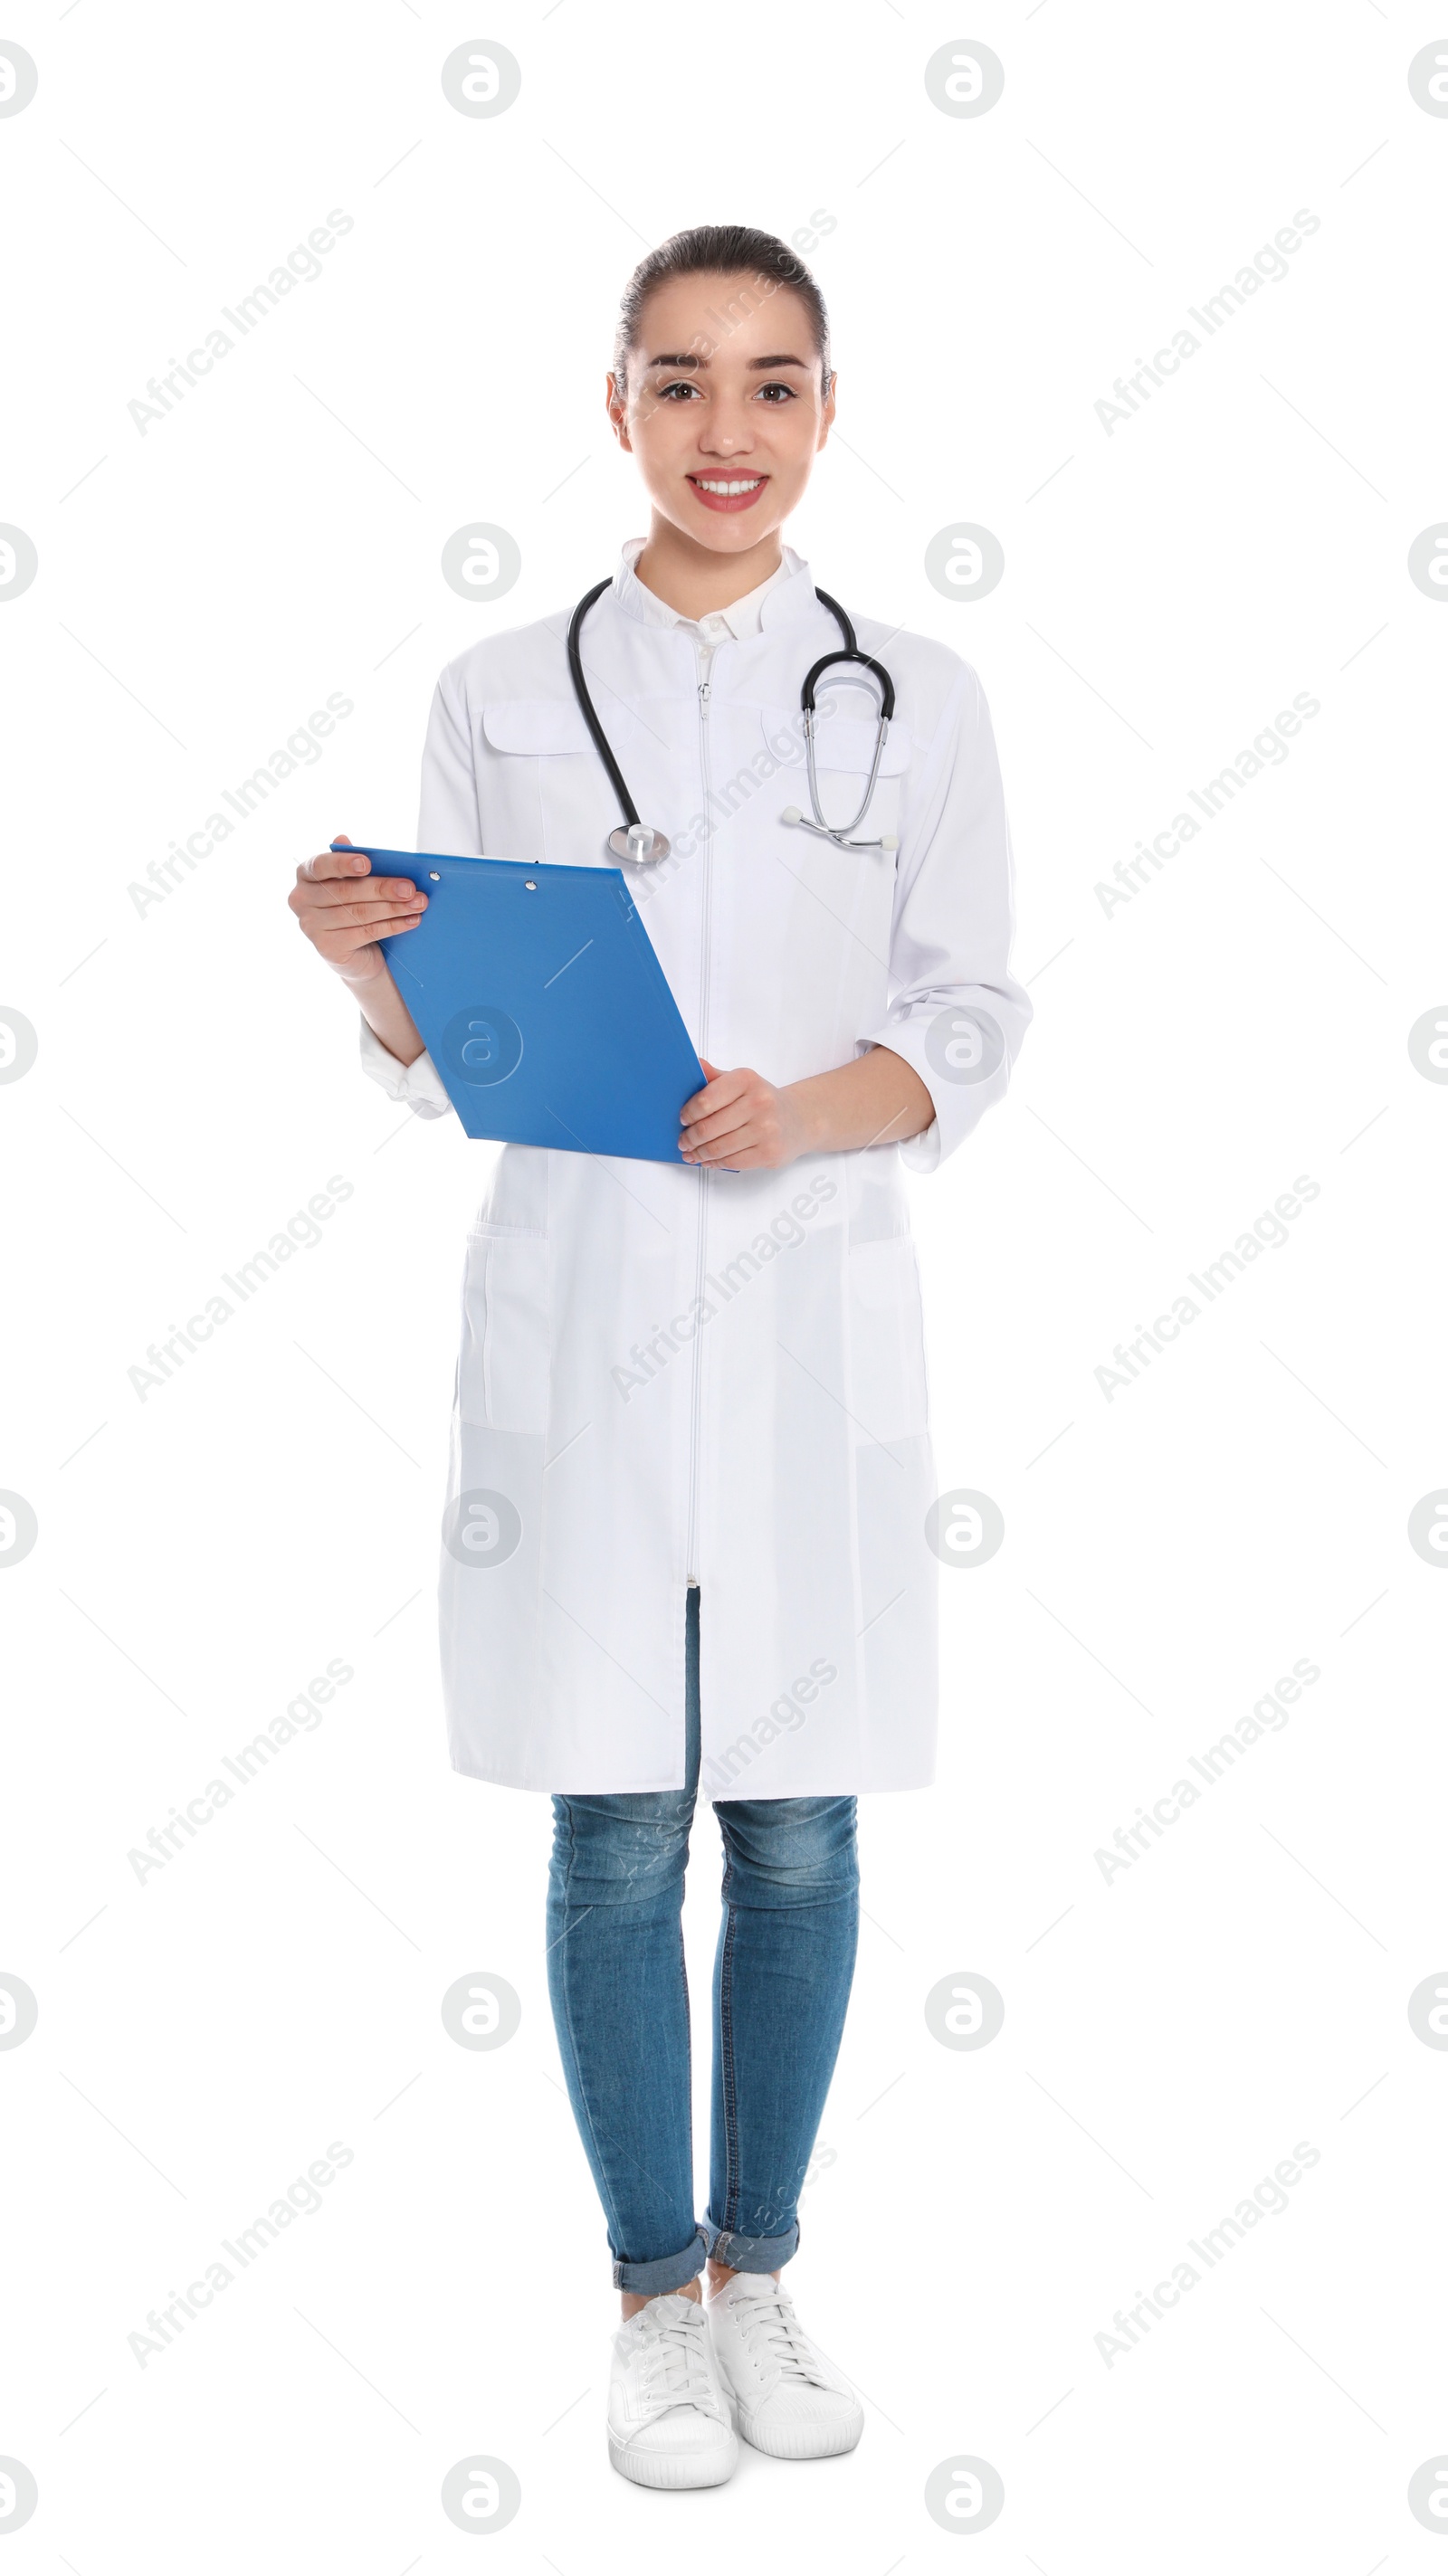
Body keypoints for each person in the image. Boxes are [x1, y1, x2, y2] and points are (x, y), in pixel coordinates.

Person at [289, 223, 1030, 2492]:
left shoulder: (910, 694)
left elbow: (972, 1013)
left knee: (792, 1831)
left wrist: (804, 1108)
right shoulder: (506, 689)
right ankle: (645, 2303)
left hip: (806, 1303)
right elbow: (466, 1048)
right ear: (613, 406)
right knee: (618, 1823)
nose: (730, 430)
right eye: (685, 383)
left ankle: (762, 2267)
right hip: (591, 1301)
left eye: (776, 385)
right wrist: (365, 969)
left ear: (825, 412)